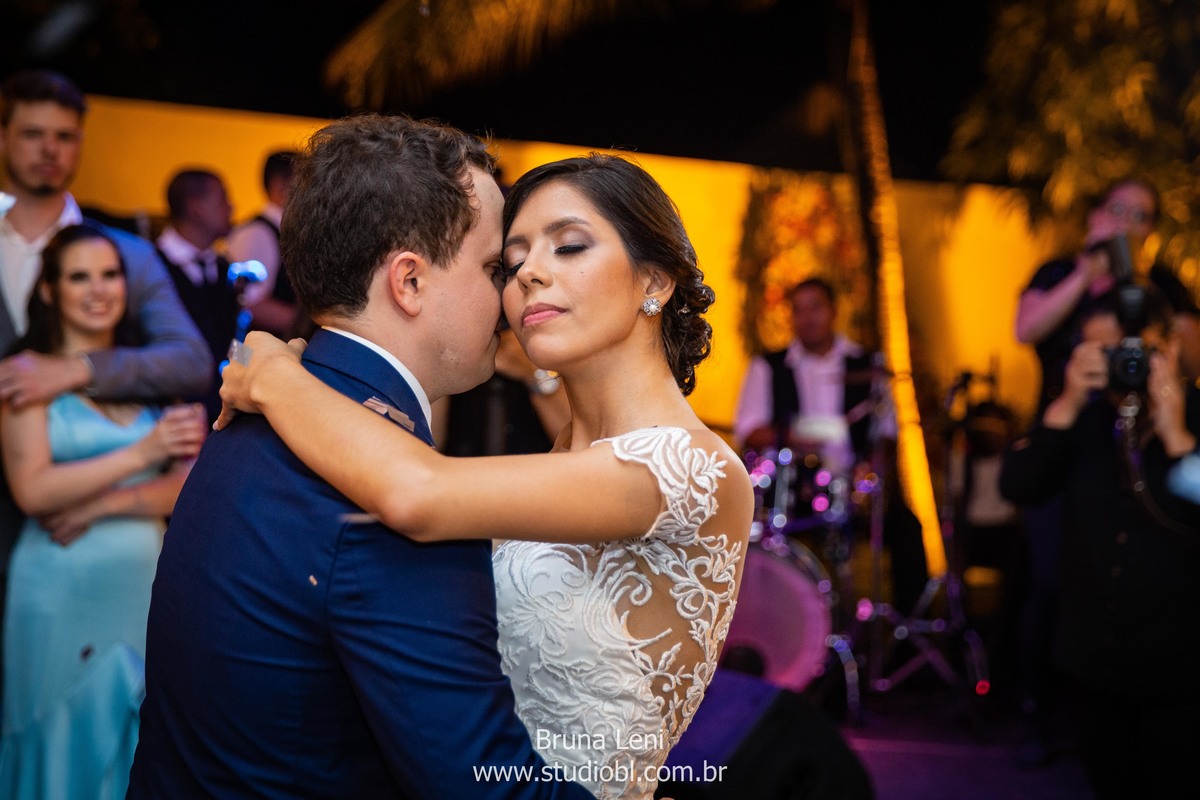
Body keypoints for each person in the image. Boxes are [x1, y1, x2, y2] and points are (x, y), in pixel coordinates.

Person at [213, 152, 753, 800]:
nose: (530, 273)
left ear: (655, 281)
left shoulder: (692, 467)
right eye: (511, 259)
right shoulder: (564, 456)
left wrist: (274, 376)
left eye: (570, 245)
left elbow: (419, 492)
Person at [128, 114, 595, 799]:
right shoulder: (385, 500)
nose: (511, 293)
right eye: (494, 266)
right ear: (407, 282)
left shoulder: (257, 410)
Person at [0, 67, 209, 718]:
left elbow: (189, 358)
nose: (49, 149)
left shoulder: (125, 252)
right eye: (32, 133)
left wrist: (78, 371)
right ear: (4, 136)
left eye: (64, 136)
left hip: (93, 531)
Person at [0, 223, 207, 799]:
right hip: (61, 588)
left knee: (137, 748)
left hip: (144, 589)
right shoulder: (26, 375)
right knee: (59, 744)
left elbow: (186, 488)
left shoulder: (150, 375)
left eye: (110, 275)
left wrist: (97, 506)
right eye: (79, 277)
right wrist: (144, 452)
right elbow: (34, 491)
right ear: (49, 290)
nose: (99, 289)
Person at [999, 291, 1200, 800]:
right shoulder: (1080, 422)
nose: (1121, 365)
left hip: (1180, 675)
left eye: (1129, 349)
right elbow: (1019, 486)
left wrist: (1177, 438)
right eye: (1102, 352)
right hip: (1094, 667)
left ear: (1168, 347)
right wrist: (1065, 401)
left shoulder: (1195, 417)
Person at [734, 277, 928, 617]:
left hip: (853, 489)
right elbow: (748, 430)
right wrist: (796, 438)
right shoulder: (769, 367)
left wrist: (868, 471)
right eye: (799, 310)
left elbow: (887, 433)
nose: (807, 318)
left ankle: (908, 630)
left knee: (907, 527)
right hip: (794, 491)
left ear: (833, 311)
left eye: (815, 307)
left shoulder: (867, 365)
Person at [155, 168, 239, 423]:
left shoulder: (225, 268)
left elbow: (231, 341)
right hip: (171, 411)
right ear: (196, 208)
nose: (232, 207)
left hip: (222, 409)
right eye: (222, 198)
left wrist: (253, 363)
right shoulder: (153, 266)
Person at [225, 149, 304, 337]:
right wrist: (311, 328)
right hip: (253, 356)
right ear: (280, 187)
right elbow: (250, 304)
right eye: (307, 183)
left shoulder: (290, 232)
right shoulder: (256, 234)